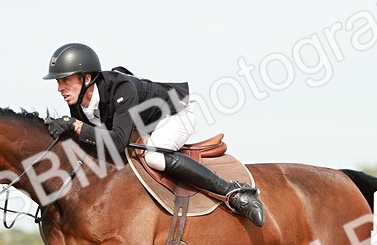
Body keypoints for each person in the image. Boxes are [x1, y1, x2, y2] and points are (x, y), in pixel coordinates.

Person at [42, 43, 265, 227]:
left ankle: (233, 193)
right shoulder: (78, 102)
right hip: (143, 124)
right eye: (58, 82)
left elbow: (118, 142)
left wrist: (77, 127)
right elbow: (96, 139)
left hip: (175, 112)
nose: (59, 88)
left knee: (154, 157)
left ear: (87, 78)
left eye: (65, 80)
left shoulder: (121, 89)